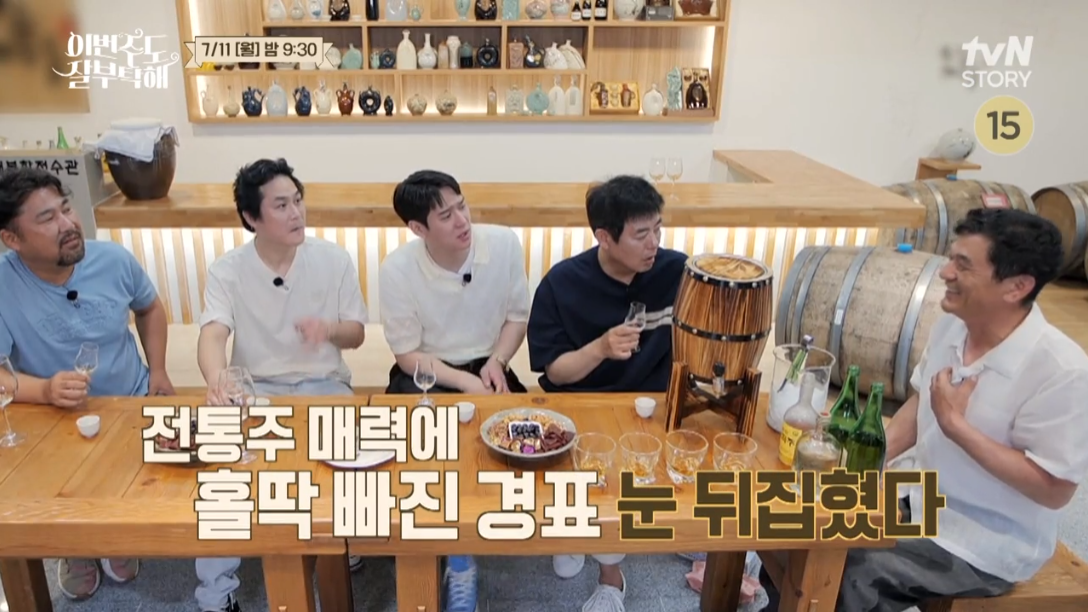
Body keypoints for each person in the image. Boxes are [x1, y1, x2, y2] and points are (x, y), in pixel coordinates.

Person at [761, 208, 1088, 611]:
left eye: (963, 265)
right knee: (788, 525)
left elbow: (1054, 490)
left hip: (981, 538)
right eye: (951, 259)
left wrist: (956, 427)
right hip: (915, 495)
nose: (945, 272)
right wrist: (865, 466)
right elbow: (920, 407)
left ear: (1016, 286)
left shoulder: (1062, 371)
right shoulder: (953, 326)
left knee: (848, 572)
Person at [195, 159, 370, 612]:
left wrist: (328, 330)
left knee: (355, 456)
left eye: (298, 201)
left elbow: (356, 334)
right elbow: (213, 334)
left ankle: (341, 541)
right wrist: (217, 378)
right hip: (256, 390)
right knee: (221, 471)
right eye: (281, 205)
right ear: (251, 217)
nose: (297, 213)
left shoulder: (332, 259)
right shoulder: (228, 270)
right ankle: (216, 593)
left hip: (325, 385)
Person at [0, 167, 175, 600]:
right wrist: (44, 390)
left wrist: (158, 369)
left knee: (143, 490)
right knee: (49, 490)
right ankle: (73, 547)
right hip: (50, 417)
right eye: (47, 219)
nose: (68, 224)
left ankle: (113, 532)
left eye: (66, 209)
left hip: (129, 400)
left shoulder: (112, 259)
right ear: (12, 239)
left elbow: (150, 308)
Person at [526, 175, 688, 612]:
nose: (654, 243)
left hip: (648, 405)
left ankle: (611, 577)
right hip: (580, 402)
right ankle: (576, 529)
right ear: (604, 237)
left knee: (625, 467)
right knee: (591, 461)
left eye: (658, 229)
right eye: (641, 234)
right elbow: (555, 371)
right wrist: (599, 348)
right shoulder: (563, 283)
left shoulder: (677, 272)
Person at [378, 169, 531, 612]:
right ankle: (452, 561)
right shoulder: (397, 269)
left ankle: (482, 540)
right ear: (418, 228)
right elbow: (407, 355)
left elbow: (516, 317)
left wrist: (497, 362)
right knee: (424, 454)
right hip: (428, 372)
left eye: (461, 206)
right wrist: (465, 383)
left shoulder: (503, 243)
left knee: (518, 442)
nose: (462, 221)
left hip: (490, 363)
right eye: (445, 216)